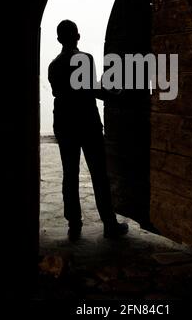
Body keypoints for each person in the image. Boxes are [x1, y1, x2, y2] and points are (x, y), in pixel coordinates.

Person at [48, 20, 128, 241]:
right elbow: (90, 89)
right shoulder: (83, 59)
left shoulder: (54, 65)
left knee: (69, 174)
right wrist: (115, 93)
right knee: (99, 174)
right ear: (78, 36)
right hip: (87, 123)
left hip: (64, 124)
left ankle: (74, 223)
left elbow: (59, 91)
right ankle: (109, 223)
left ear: (58, 39)